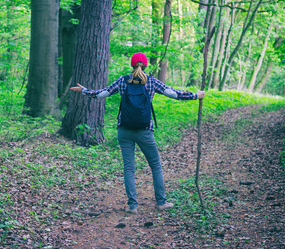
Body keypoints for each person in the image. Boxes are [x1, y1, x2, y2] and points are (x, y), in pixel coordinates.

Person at [70, 52, 205, 214]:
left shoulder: (122, 81)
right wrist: (195, 95)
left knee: (129, 168)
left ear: (132, 65)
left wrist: (84, 90)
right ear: (146, 65)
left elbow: (101, 94)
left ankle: (132, 206)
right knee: (155, 166)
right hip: (144, 131)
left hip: (124, 131)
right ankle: (161, 203)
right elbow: (173, 94)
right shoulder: (151, 82)